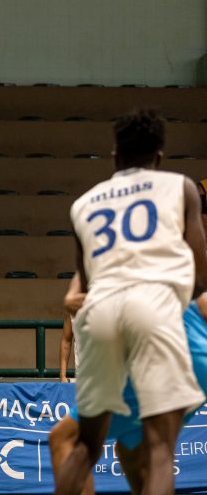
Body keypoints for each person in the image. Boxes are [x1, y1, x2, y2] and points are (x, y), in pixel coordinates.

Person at [55, 108, 207, 495]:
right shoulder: (180, 187)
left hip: (99, 313)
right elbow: (199, 271)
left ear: (115, 156)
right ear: (159, 156)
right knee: (159, 450)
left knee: (86, 447)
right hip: (154, 307)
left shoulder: (83, 203)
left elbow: (87, 282)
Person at [50, 278, 207, 495]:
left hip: (159, 348)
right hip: (191, 351)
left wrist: (74, 295)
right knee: (132, 451)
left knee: (67, 438)